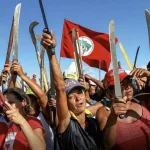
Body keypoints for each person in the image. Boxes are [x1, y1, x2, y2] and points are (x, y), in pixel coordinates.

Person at [41, 29, 104, 150]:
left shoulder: (94, 123)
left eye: (79, 92)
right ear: (65, 103)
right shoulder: (65, 123)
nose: (77, 97)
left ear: (85, 94)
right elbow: (60, 88)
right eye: (70, 96)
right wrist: (51, 53)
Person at [98, 68, 150, 149]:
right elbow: (107, 145)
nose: (128, 86)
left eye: (129, 81)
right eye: (122, 84)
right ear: (110, 91)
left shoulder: (142, 100)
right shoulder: (105, 111)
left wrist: (149, 75)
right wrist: (112, 117)